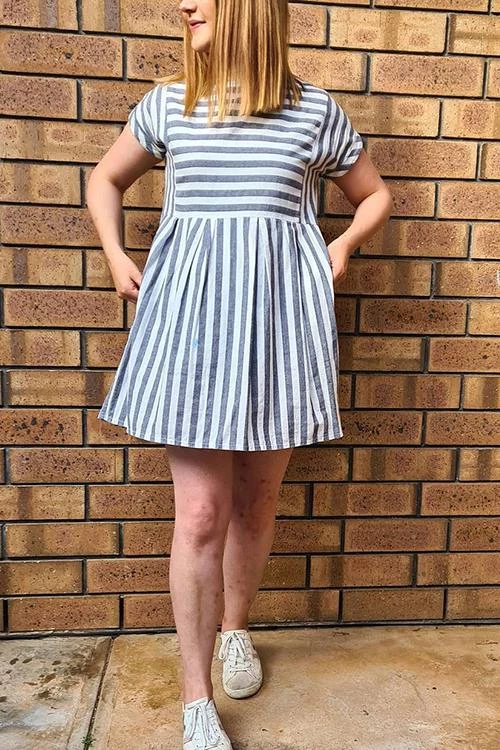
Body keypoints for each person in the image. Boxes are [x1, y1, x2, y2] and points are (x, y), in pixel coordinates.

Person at [87, 1, 393, 747]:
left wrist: (343, 245)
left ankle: (235, 630)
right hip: (191, 332)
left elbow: (375, 194)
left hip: (278, 333)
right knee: (200, 515)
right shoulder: (170, 105)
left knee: (255, 506)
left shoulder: (312, 112)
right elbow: (105, 180)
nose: (184, 4)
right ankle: (196, 699)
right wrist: (117, 254)